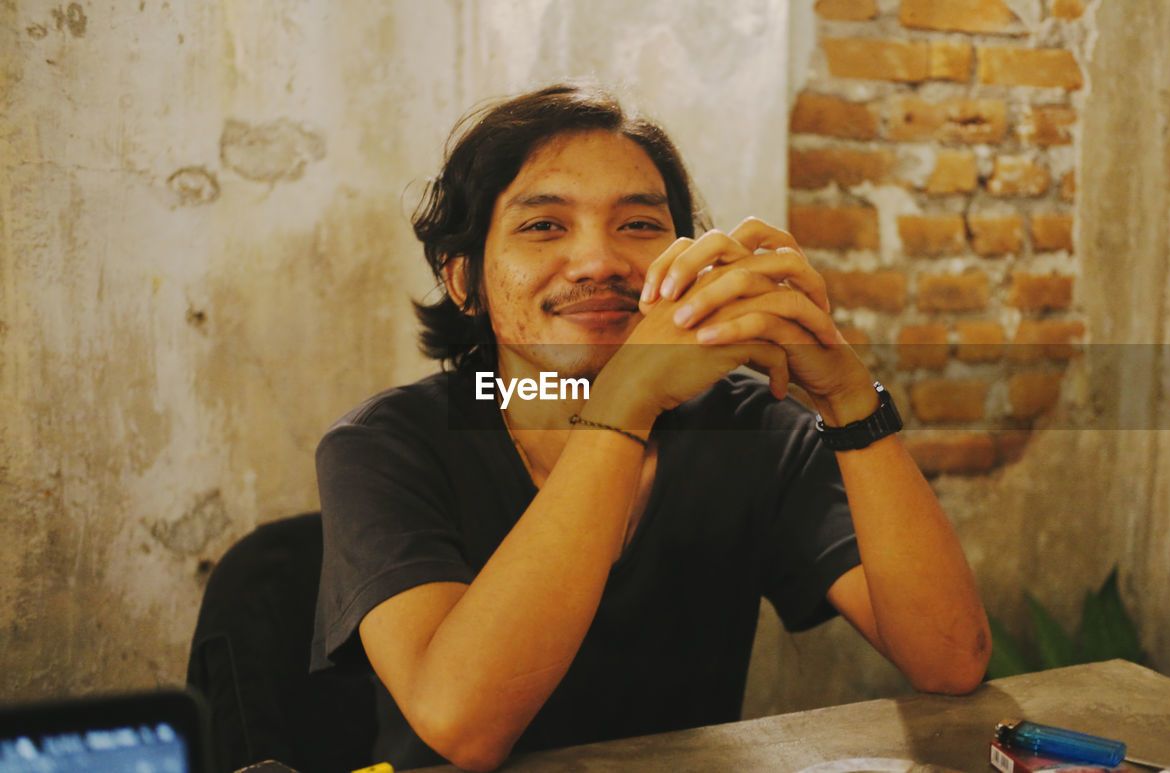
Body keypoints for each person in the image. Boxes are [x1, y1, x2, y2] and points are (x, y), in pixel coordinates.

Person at [311, 83, 990, 772]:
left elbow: (950, 659)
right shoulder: (382, 447)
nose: (600, 261)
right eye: (544, 225)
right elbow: (462, 725)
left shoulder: (749, 428)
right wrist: (624, 400)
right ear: (464, 281)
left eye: (638, 225)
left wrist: (849, 398)